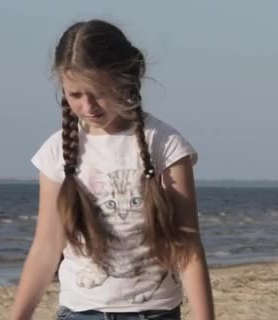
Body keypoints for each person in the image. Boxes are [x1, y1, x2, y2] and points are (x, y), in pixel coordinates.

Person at [13, 19, 214, 320]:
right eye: (75, 95)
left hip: (154, 313)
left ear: (127, 80)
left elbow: (187, 246)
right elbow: (46, 247)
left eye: (99, 92)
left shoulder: (165, 144)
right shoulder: (56, 152)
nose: (88, 105)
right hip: (80, 313)